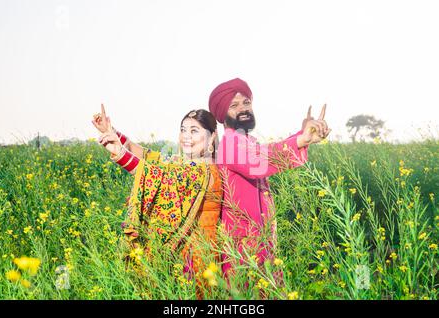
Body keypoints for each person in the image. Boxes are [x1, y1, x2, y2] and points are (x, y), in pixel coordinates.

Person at [92, 106, 222, 298]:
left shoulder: (204, 171)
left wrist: (120, 154)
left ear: (211, 137)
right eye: (183, 130)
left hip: (198, 259)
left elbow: (158, 177)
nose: (186, 136)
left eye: (194, 131)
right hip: (178, 256)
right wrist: (111, 133)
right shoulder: (182, 163)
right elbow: (146, 155)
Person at [208, 78, 331, 278]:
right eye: (234, 105)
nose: (243, 109)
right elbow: (258, 161)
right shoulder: (230, 144)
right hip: (243, 249)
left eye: (246, 102)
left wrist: (303, 134)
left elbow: (265, 153)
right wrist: (301, 138)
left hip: (260, 242)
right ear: (222, 114)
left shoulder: (245, 141)